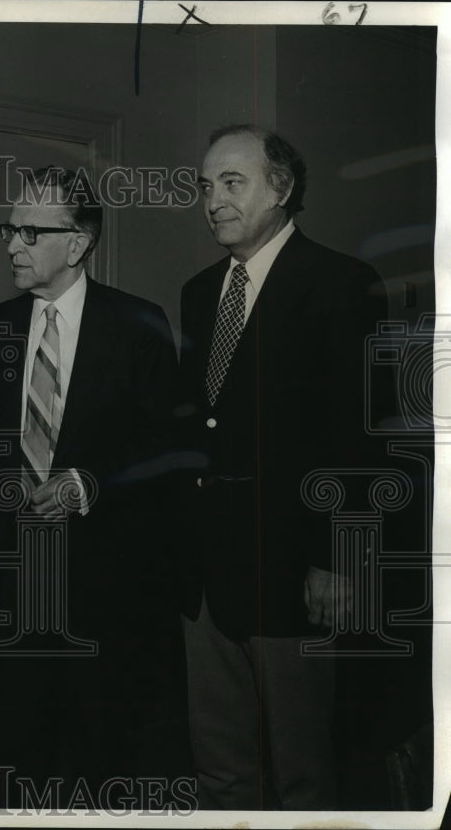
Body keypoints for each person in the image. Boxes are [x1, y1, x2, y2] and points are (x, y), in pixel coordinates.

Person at [175, 125, 390, 809]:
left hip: (294, 569)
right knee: (222, 767)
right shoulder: (199, 291)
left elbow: (357, 435)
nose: (213, 200)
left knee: (301, 772)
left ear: (284, 187)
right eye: (206, 186)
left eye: (232, 182)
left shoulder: (341, 284)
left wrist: (337, 557)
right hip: (205, 575)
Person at [0, 166, 182, 805]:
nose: (11, 244)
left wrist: (88, 484)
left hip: (104, 582)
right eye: (10, 229)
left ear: (78, 243)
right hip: (10, 581)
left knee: (100, 754)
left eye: (30, 231)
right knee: (9, 754)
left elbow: (167, 450)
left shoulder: (140, 324)